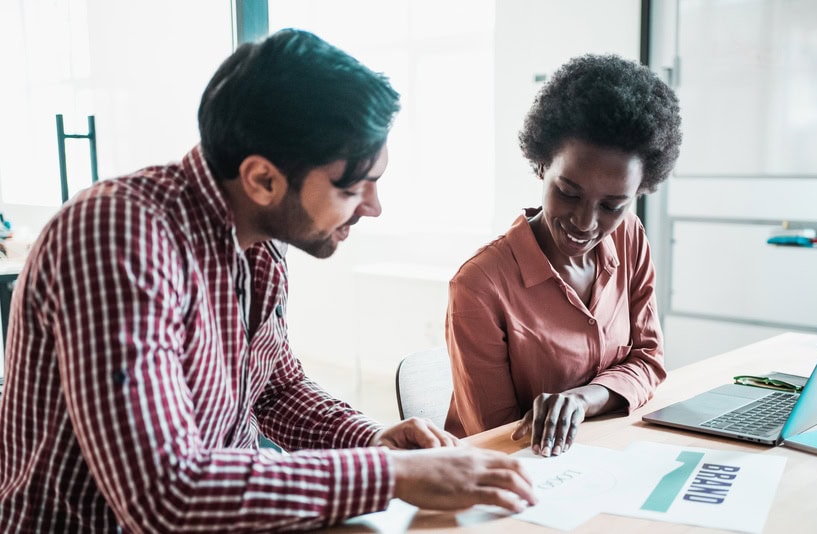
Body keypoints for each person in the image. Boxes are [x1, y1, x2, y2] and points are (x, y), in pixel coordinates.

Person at [0, 29, 535, 531]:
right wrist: (392, 476)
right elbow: (167, 492)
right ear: (262, 179)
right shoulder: (118, 239)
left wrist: (371, 439)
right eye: (354, 188)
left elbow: (274, 390)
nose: (373, 208)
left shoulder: (258, 239)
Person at [444, 54, 683, 456]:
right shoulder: (480, 286)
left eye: (612, 205)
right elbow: (499, 441)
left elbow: (649, 360)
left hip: (606, 453)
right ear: (541, 165)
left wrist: (583, 400)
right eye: (569, 193)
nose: (586, 222)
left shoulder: (629, 238)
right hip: (515, 477)